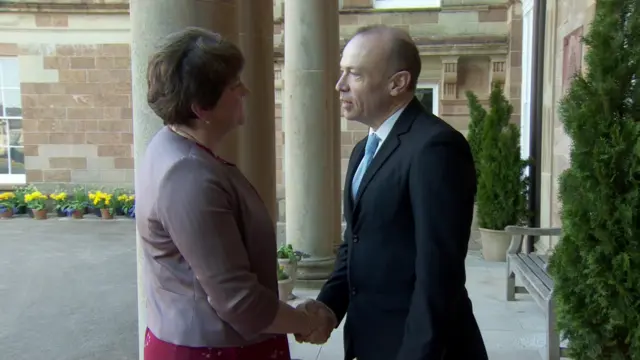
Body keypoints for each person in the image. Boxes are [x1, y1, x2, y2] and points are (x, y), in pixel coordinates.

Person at [135, 27, 333, 360]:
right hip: (212, 350)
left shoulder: (174, 149)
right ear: (201, 108)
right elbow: (237, 299)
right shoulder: (187, 176)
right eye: (234, 85)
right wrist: (303, 321)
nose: (245, 90)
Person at [295, 25, 489, 360]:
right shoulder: (362, 151)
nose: (339, 85)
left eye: (353, 74)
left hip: (420, 347)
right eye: (342, 72)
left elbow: (438, 274)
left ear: (398, 83)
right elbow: (355, 242)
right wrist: (328, 306)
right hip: (369, 341)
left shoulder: (435, 148)